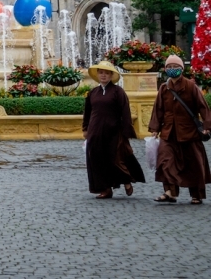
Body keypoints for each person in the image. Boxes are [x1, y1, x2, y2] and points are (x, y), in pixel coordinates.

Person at [148, 54, 211, 203]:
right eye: (169, 67)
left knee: (194, 163)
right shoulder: (164, 88)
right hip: (168, 132)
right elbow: (158, 109)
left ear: (181, 68)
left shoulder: (190, 86)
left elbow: (203, 107)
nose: (172, 69)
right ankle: (170, 192)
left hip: (189, 132)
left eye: (175, 67)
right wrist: (155, 128)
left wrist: (207, 126)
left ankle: (196, 195)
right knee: (165, 161)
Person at [83, 60, 144, 199]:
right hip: (95, 132)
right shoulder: (93, 93)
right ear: (97, 74)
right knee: (97, 160)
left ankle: (126, 180)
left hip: (114, 132)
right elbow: (87, 112)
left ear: (111, 75)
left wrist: (126, 131)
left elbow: (125, 112)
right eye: (101, 72)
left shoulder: (118, 92)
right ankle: (105, 188)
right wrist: (85, 128)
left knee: (116, 159)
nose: (103, 75)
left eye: (107, 73)